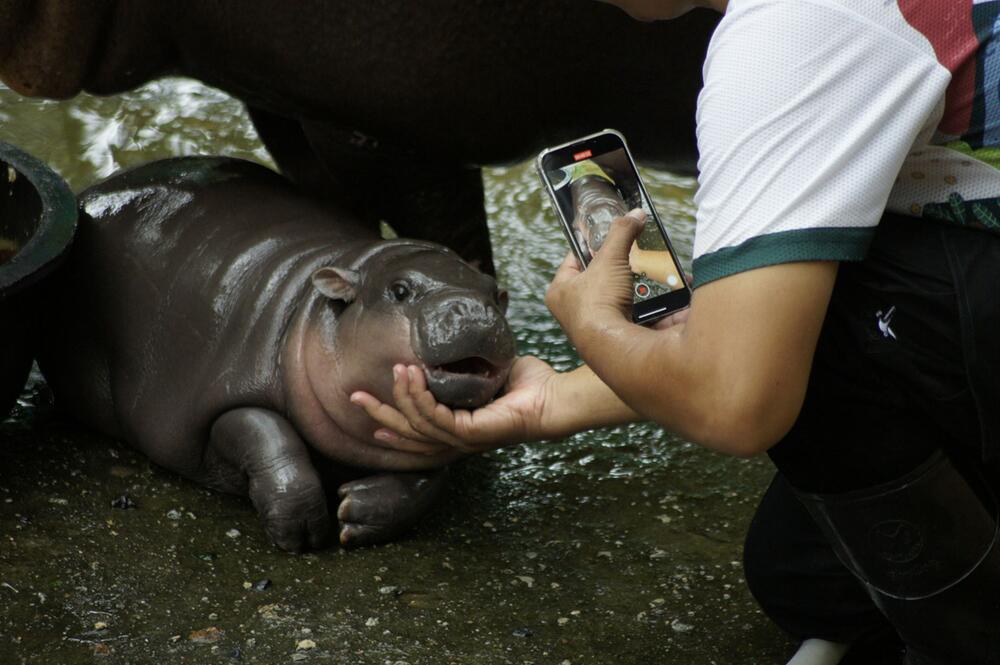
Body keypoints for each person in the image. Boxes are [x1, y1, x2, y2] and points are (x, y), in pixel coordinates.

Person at [351, 1, 1000, 663]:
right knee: (804, 577)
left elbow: (735, 401)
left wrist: (595, 325)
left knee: (833, 308)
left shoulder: (786, 38)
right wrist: (556, 401)